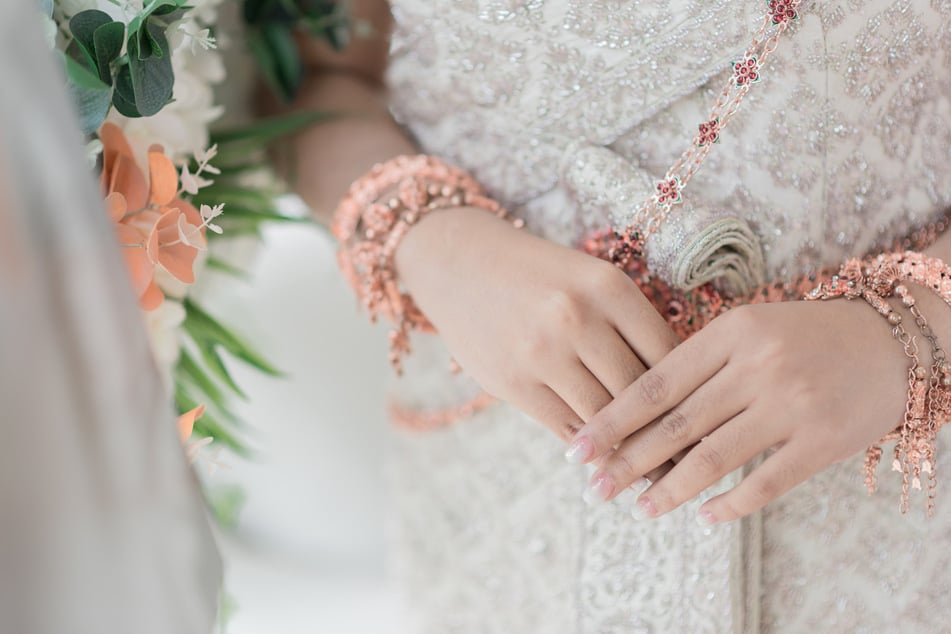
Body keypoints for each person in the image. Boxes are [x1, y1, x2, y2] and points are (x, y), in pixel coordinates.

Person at [284, 1, 951, 631]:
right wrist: (436, 240)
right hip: (507, 497)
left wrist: (907, 331)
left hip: (886, 478)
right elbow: (315, 81)